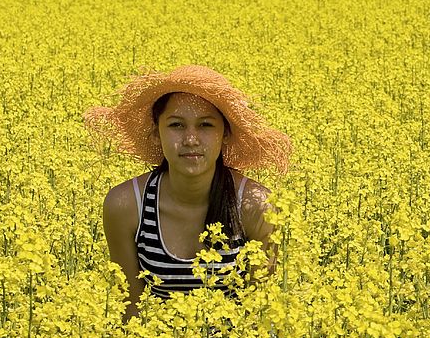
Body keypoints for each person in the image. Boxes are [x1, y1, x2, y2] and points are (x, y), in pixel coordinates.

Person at [84, 65, 292, 322]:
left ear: (224, 134)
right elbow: (131, 309)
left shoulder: (258, 207)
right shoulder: (126, 206)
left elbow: (259, 314)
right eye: (176, 125)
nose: (191, 139)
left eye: (205, 125)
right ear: (157, 132)